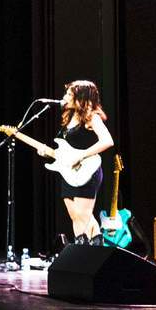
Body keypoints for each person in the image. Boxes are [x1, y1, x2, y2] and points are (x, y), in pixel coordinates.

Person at [49, 79, 116, 242]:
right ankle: (87, 247)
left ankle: (90, 251)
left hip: (87, 170)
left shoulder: (92, 117)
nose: (65, 97)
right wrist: (45, 152)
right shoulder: (69, 117)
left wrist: (82, 155)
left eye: (69, 94)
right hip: (70, 173)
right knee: (75, 215)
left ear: (81, 98)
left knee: (83, 215)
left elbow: (108, 141)